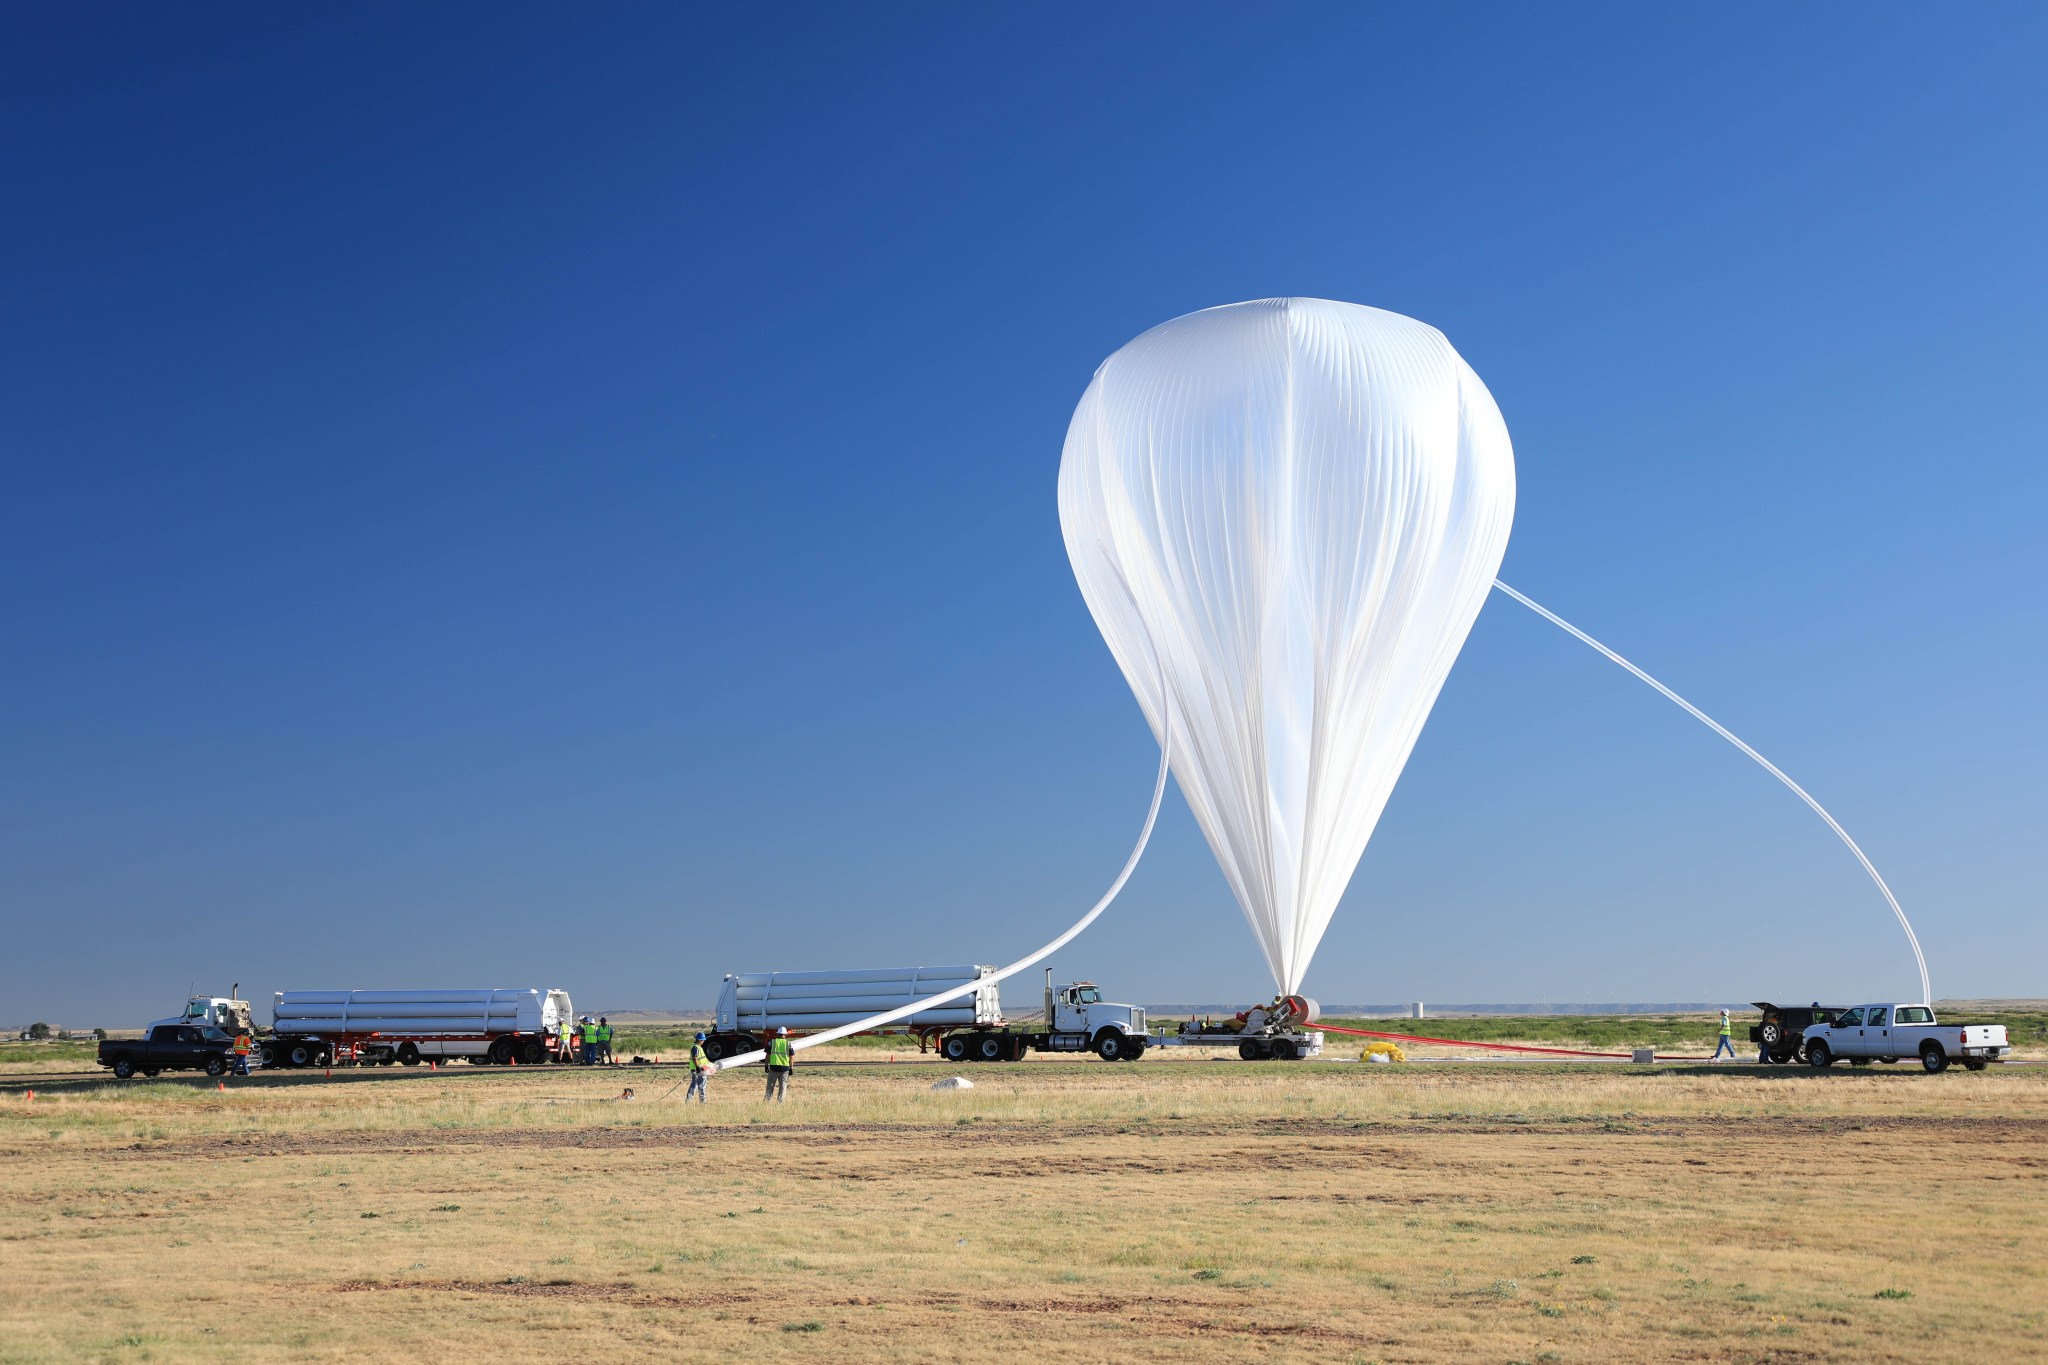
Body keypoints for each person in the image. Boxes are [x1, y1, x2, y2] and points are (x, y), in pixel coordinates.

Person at [764, 1025, 793, 1102]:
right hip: (785, 1068)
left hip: (774, 1068)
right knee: (783, 1087)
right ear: (785, 1034)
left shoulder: (772, 1042)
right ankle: (780, 1103)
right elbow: (791, 1057)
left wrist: (766, 1066)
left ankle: (766, 1102)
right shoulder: (788, 1043)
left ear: (778, 1034)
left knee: (770, 1086)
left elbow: (767, 1055)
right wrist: (791, 1069)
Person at [686, 1032, 715, 1103]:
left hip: (701, 1069)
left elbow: (703, 1058)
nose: (704, 1041)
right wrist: (698, 1067)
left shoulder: (698, 1047)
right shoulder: (695, 1048)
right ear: (699, 1040)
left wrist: (710, 1064)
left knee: (696, 1085)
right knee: (699, 1085)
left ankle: (689, 1102)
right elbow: (694, 1058)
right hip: (699, 1070)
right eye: (703, 1040)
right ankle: (702, 1102)